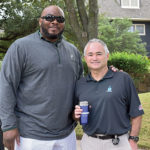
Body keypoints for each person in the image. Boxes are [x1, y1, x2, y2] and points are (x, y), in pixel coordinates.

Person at [0, 5, 83, 150]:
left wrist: (109, 74)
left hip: (67, 135)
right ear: (40, 21)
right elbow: (6, 85)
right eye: (49, 17)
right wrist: (8, 126)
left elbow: (81, 86)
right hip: (30, 136)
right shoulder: (21, 47)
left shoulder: (73, 51)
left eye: (60, 19)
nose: (54, 22)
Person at [74, 39, 144, 150]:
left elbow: (136, 113)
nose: (95, 58)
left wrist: (133, 140)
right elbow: (73, 115)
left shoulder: (123, 79)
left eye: (99, 54)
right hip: (89, 143)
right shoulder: (80, 84)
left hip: (118, 143)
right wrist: (75, 114)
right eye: (90, 54)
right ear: (85, 58)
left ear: (107, 56)